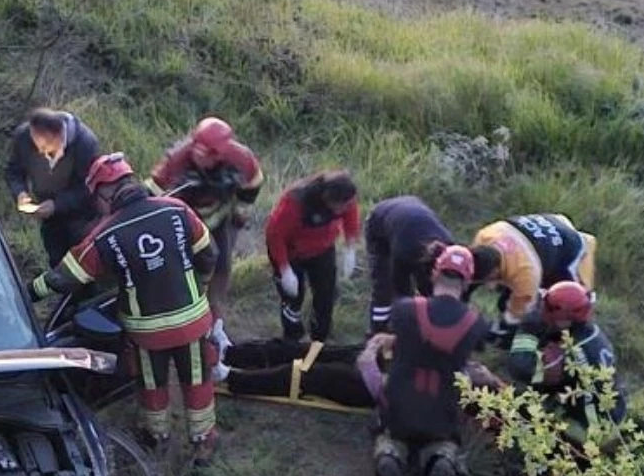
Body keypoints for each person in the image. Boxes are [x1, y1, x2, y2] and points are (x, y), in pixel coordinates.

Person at [28, 153, 221, 463]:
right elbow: (209, 254)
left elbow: (65, 278)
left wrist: (26, 293)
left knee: (152, 384)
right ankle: (203, 444)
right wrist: (201, 290)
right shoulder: (177, 210)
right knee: (197, 379)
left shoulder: (104, 234)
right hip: (192, 321)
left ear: (106, 192)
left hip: (147, 332)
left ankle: (155, 438)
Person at [360, 245, 490, 476]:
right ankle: (442, 459)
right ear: (466, 283)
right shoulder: (475, 323)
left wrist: (373, 350)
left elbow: (414, 342)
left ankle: (389, 456)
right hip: (441, 415)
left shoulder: (405, 309)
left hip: (398, 410)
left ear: (434, 274)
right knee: (445, 441)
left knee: (387, 436)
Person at [144, 117, 264, 368]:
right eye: (197, 148)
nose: (199, 156)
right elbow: (150, 195)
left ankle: (216, 323)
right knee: (188, 276)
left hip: (219, 221)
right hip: (183, 227)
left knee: (221, 267)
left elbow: (253, 182)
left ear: (219, 154)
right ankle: (187, 323)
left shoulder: (239, 157)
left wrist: (240, 214)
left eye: (206, 153)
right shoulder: (176, 160)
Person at [507, 281, 626, 447]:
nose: (542, 311)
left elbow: (521, 368)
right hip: (612, 414)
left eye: (548, 308)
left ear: (565, 319)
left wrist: (527, 331)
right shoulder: (590, 333)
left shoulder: (570, 353)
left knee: (515, 396)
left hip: (589, 430)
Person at [469, 213, 598, 344]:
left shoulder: (526, 273)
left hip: (569, 249)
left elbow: (517, 315)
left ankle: (560, 343)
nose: (488, 286)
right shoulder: (483, 236)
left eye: (489, 279)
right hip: (544, 229)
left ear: (496, 269)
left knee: (571, 303)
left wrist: (503, 330)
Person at [264, 170, 360, 343]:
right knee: (293, 298)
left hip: (322, 249)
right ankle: (292, 337)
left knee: (326, 294)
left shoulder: (345, 197)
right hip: (292, 252)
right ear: (328, 198)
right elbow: (275, 235)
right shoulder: (296, 202)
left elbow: (351, 217)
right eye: (341, 206)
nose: (345, 209)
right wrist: (284, 269)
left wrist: (350, 248)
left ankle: (320, 337)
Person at [4, 108, 101, 267]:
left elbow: (89, 188)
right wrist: (20, 193)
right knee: (57, 261)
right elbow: (13, 172)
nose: (42, 153)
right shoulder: (23, 137)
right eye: (38, 148)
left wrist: (57, 205)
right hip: (49, 217)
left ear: (60, 135)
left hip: (81, 217)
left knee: (83, 263)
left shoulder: (85, 143)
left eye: (46, 147)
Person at [363, 195, 455, 334]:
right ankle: (378, 331)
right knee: (384, 285)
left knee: (427, 288)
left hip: (412, 209)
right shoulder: (404, 251)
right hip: (380, 221)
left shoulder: (449, 247)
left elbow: (432, 287)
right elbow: (401, 288)